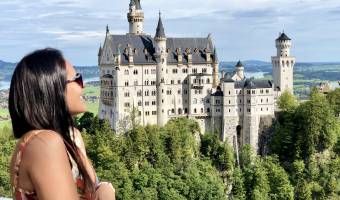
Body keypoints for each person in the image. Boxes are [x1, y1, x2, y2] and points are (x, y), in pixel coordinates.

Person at [9, 48, 115, 200]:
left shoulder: (71, 137)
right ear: (54, 89)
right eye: (77, 79)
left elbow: (92, 190)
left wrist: (102, 187)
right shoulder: (44, 143)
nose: (83, 86)